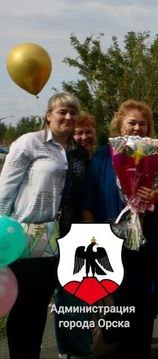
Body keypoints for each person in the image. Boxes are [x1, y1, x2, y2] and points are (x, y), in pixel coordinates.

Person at [0, 93, 85, 359]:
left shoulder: (79, 152)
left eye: (73, 112)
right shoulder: (29, 142)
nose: (68, 117)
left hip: (59, 239)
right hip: (24, 236)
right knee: (23, 307)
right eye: (62, 112)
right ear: (48, 115)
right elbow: (5, 190)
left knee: (38, 309)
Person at [82, 100, 158, 358]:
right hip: (107, 240)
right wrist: (88, 241)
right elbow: (89, 199)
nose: (137, 128)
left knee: (142, 301)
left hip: (145, 241)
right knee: (113, 301)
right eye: (132, 122)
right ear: (120, 124)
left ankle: (140, 350)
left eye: (143, 124)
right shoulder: (102, 156)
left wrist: (157, 195)